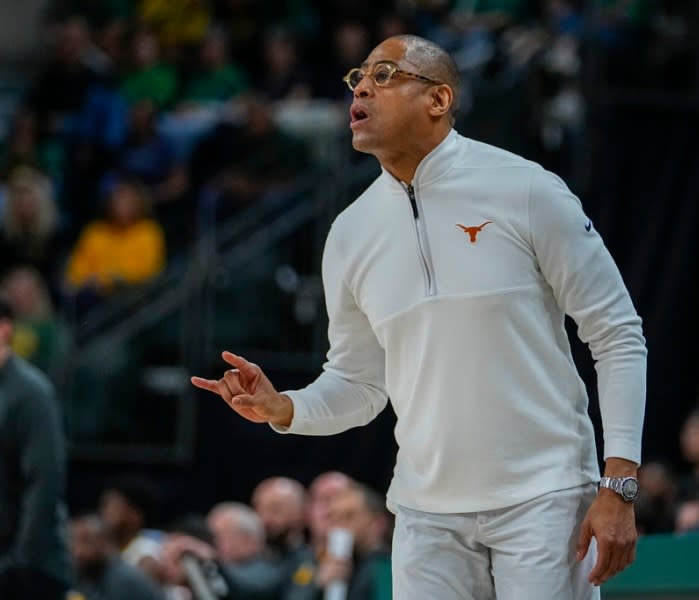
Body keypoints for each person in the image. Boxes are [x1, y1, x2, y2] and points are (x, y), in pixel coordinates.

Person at [192, 34, 647, 598]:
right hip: (425, 514)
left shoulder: (526, 188)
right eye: (357, 76)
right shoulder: (350, 234)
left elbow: (617, 334)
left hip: (545, 497)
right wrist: (286, 407)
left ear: (438, 100)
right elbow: (359, 383)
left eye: (383, 75)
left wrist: (620, 483)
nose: (360, 85)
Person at [0, 294, 72, 599]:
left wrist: (20, 564)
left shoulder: (30, 392)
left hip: (27, 572)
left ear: (4, 330)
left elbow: (43, 482)